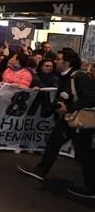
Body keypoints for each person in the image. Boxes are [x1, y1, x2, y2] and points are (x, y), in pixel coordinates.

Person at [17, 49, 95, 198]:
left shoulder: (79, 76)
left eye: (59, 59)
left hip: (80, 121)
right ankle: (41, 171)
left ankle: (92, 188)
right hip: (68, 119)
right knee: (54, 141)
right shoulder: (65, 76)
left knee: (84, 154)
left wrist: (69, 108)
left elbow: (91, 98)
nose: (55, 62)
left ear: (67, 62)